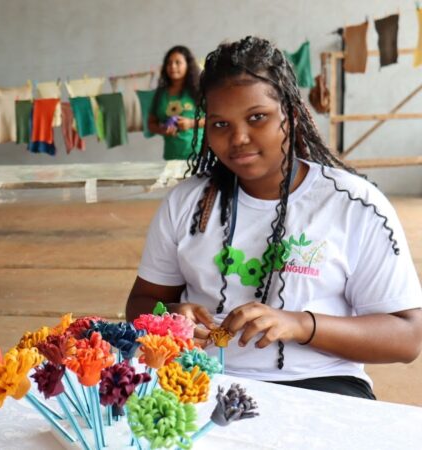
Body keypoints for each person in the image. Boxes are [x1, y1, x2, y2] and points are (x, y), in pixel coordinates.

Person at [127, 36, 422, 399]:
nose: (239, 138)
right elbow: (141, 303)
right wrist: (169, 314)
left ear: (292, 116)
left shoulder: (353, 204)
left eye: (257, 118)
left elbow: (407, 337)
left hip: (320, 384)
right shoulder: (187, 203)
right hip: (200, 382)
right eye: (220, 125)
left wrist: (300, 324)